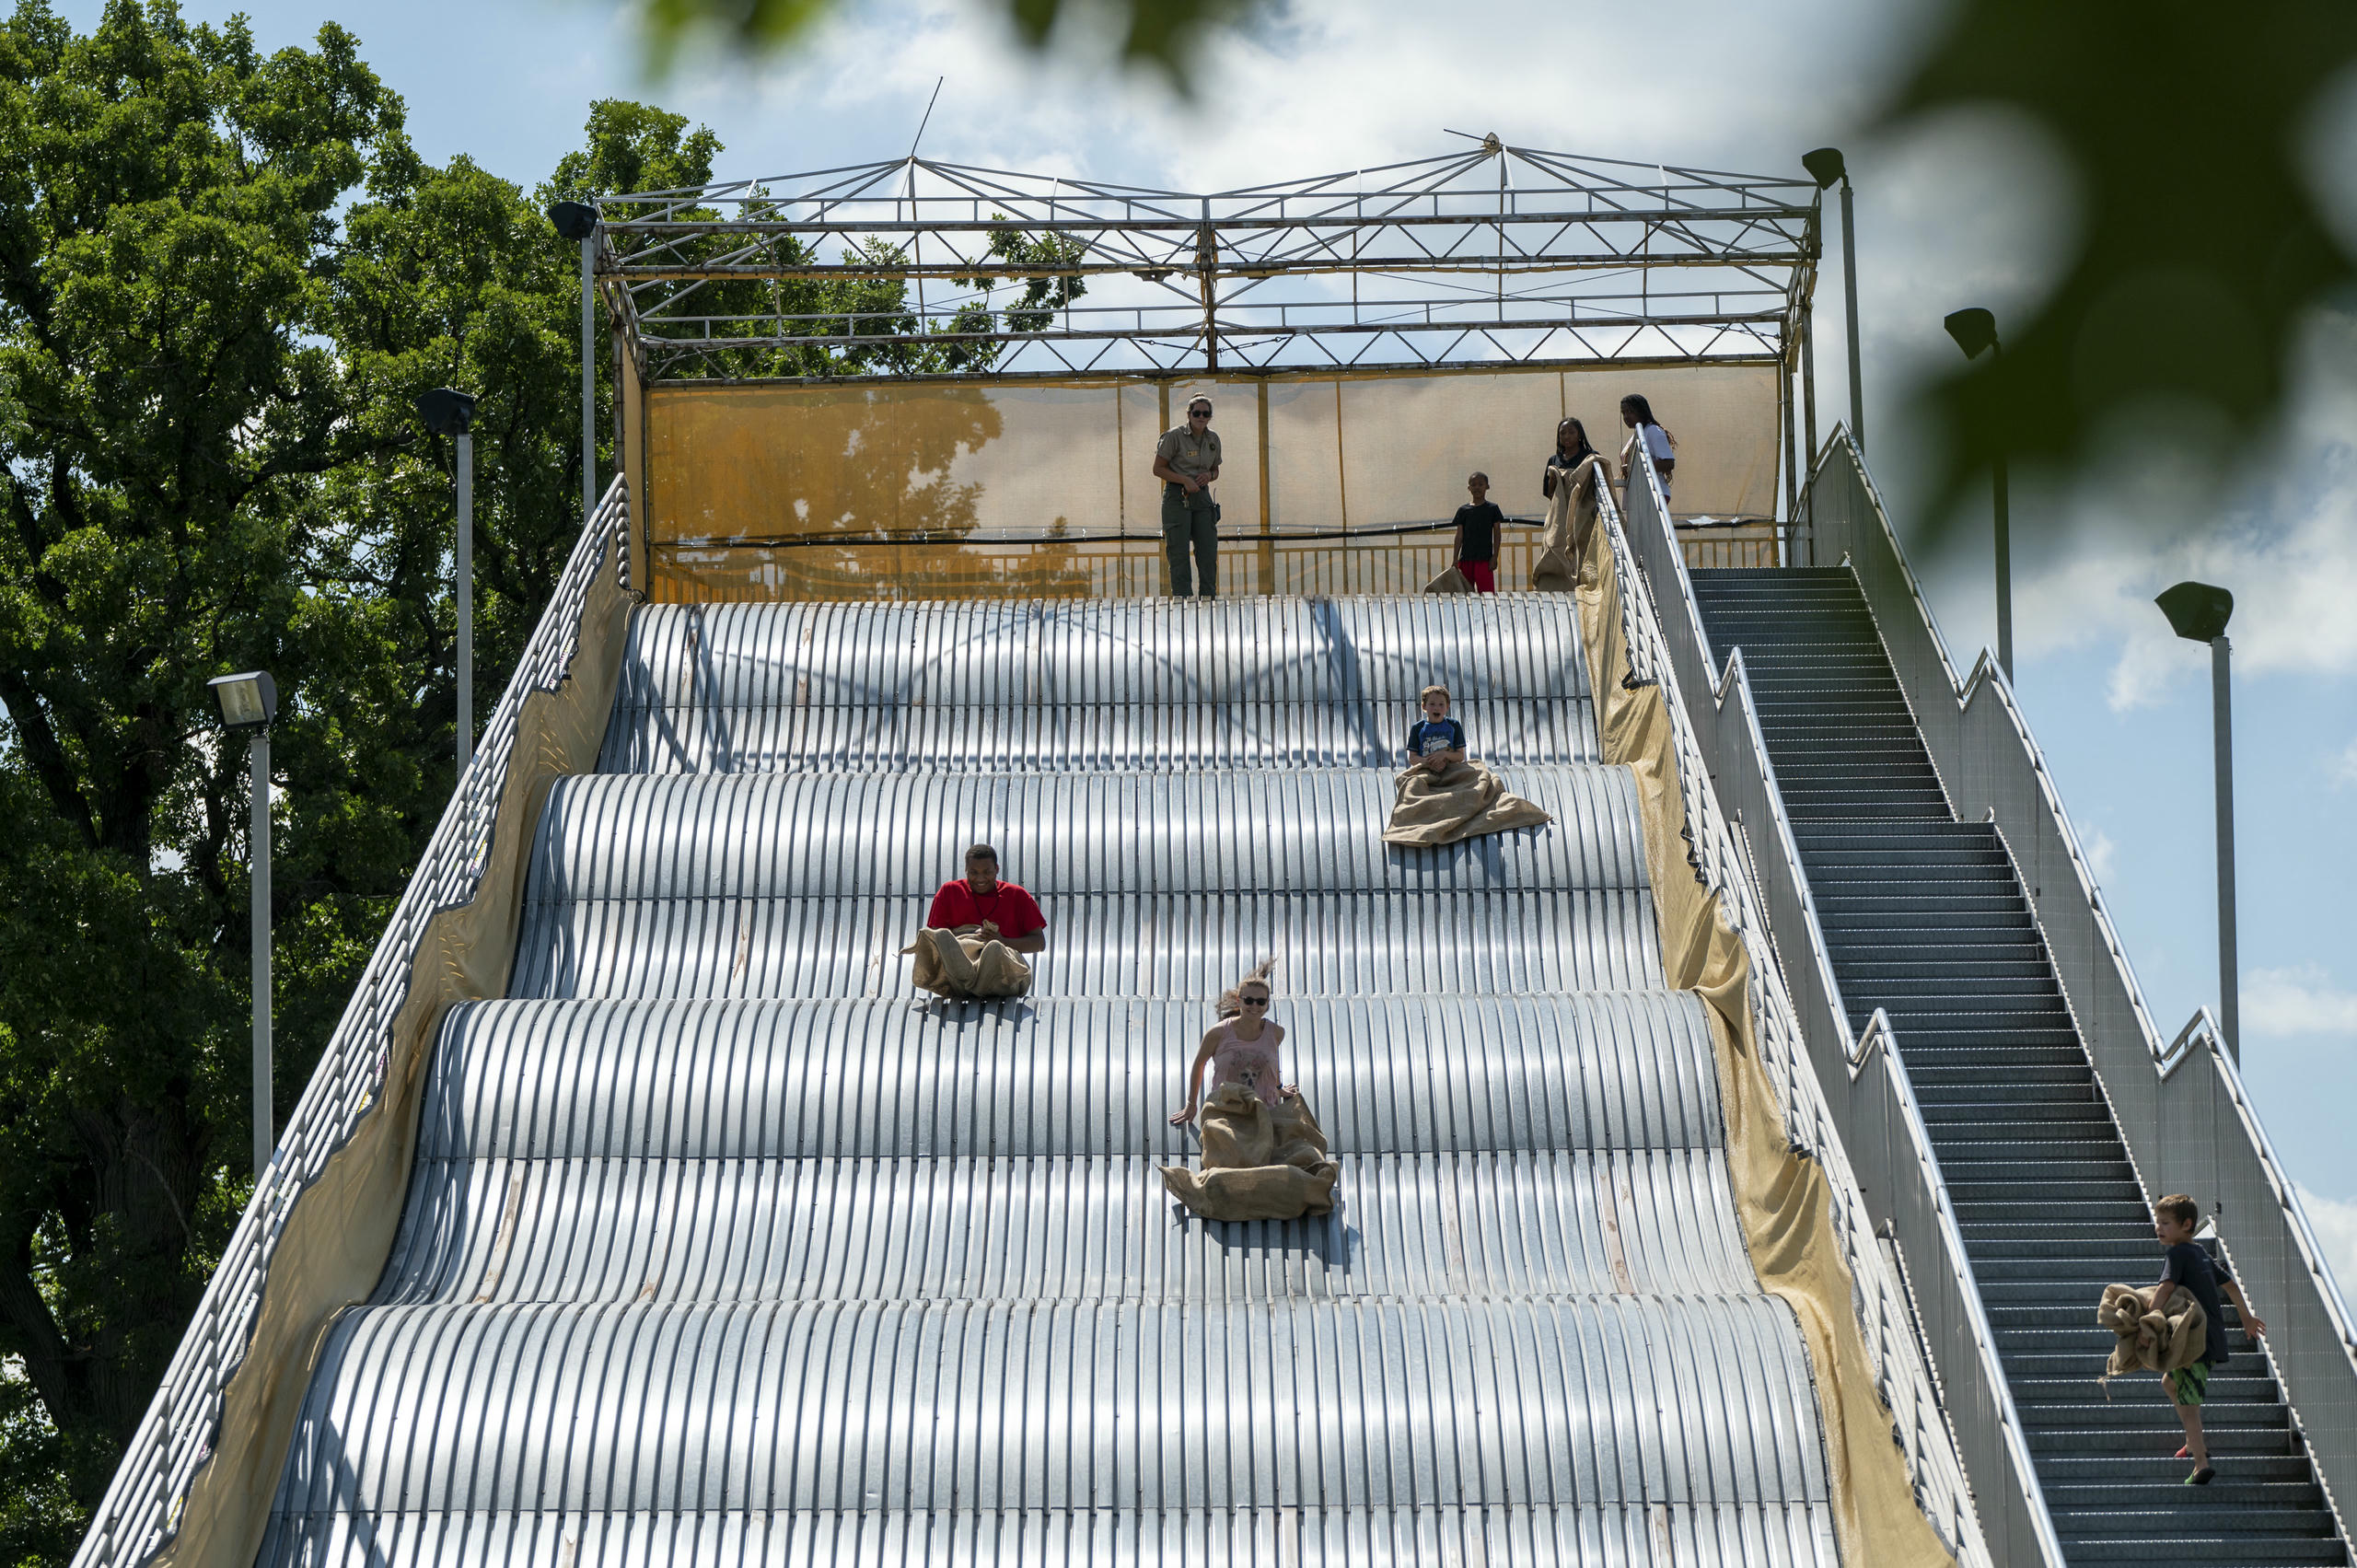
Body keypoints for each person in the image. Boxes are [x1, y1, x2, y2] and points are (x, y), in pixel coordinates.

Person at [2149, 1193, 2266, 1485]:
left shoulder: (2176, 1255)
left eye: (2165, 1223)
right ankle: (2193, 1443)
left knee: (2189, 1406)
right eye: (2157, 1222)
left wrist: (2148, 1318)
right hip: (2209, 1338)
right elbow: (2230, 1284)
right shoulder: (2199, 1252)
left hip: (2192, 1341)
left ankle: (2200, 1463)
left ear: (2186, 1224)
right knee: (2170, 1382)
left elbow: (2165, 1288)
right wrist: (2246, 1319)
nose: (2158, 1228)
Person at [902, 842, 1047, 999]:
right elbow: (938, 951)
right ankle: (970, 977)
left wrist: (1002, 940)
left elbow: (1039, 943)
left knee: (994, 950)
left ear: (997, 869)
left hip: (1005, 970)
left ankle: (976, 975)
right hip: (962, 963)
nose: (980, 878)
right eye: (973, 872)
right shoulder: (949, 892)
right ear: (966, 870)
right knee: (950, 943)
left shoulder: (1017, 895)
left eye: (987, 872)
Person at [1168, 958, 1294, 1125]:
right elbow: (1199, 1064)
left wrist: (1279, 1088)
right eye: (1249, 1000)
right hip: (1226, 1111)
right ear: (1239, 1001)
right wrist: (1191, 1105)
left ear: (1267, 1004)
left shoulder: (1276, 1033)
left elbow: (1270, 1065)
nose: (1254, 1006)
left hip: (1264, 1111)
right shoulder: (1218, 1033)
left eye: (1260, 1001)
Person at [1152, 397, 1223, 597]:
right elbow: (1158, 469)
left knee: (1208, 552)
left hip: (1202, 498)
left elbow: (1216, 470)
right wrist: (1184, 480)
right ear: (1189, 414)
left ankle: (1209, 601)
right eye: (1197, 413)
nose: (1201, 417)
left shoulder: (1213, 440)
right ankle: (1184, 605)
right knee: (1179, 554)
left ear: (1210, 417)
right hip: (1177, 497)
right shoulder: (1174, 436)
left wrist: (1209, 475)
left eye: (1206, 413)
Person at [1450, 472, 1504, 593]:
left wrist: (1495, 556)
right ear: (1469, 488)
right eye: (1473, 485)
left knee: (1487, 595)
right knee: (1464, 595)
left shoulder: (1492, 509)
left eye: (1480, 484)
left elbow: (1497, 534)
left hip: (1485, 560)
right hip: (1466, 560)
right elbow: (1459, 536)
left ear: (1487, 487)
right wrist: (1455, 558)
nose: (1477, 487)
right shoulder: (1463, 510)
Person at [1619, 394, 1676, 505]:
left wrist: (1635, 468)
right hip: (1638, 494)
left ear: (1641, 411)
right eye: (1623, 413)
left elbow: (1668, 463)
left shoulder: (1653, 431)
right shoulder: (1637, 434)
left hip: (1654, 492)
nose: (1626, 417)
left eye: (1630, 412)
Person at [1405, 684, 1466, 774]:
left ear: (1447, 707)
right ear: (1424, 706)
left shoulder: (1454, 725)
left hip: (1450, 769)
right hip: (1425, 769)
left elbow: (1460, 756)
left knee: (1473, 773)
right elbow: (1412, 758)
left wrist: (1444, 755)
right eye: (1432, 704)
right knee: (1412, 782)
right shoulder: (1417, 728)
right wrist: (1429, 762)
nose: (1437, 708)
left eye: (1441, 704)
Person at [1539, 416, 1603, 501]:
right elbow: (1548, 492)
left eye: (1571, 432)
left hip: (1585, 510)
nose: (1567, 436)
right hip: (1561, 510)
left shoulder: (1591, 457)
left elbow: (1600, 487)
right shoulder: (1553, 461)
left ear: (1579, 434)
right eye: (1563, 433)